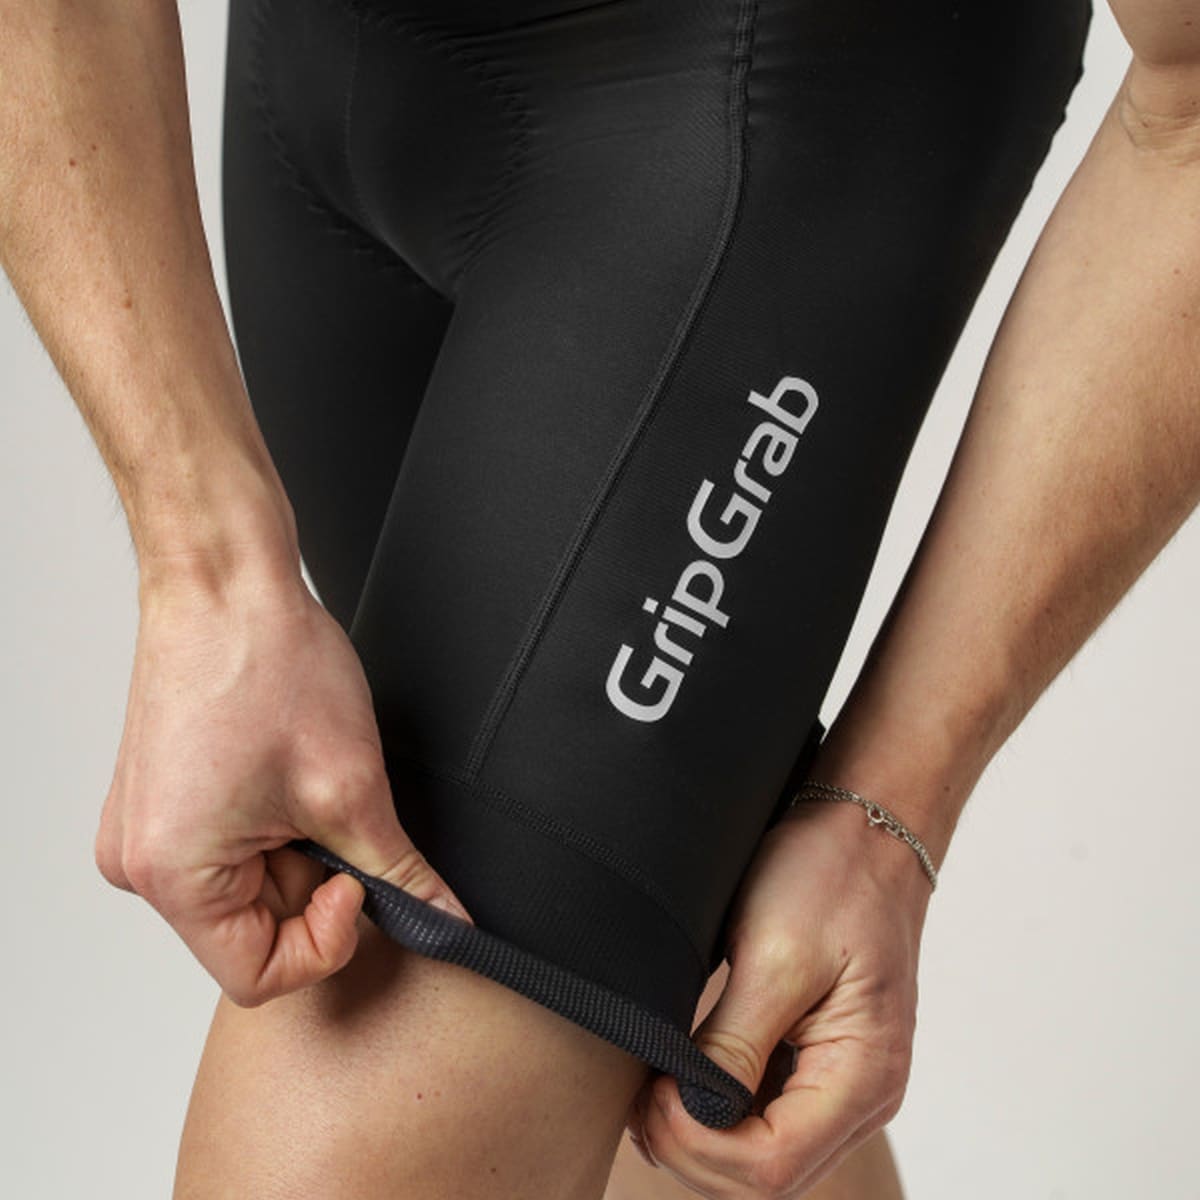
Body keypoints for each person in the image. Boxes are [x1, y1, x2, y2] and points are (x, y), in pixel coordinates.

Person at [1, 0, 1197, 1196]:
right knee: (657, 1051)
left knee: (445, 1040)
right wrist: (204, 566)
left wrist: (884, 810)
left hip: (748, 104)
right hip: (316, 91)